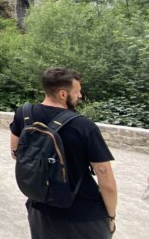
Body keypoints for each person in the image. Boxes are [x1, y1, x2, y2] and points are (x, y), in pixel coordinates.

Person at [10, 68, 117, 238]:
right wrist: (111, 217)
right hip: (83, 216)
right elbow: (107, 183)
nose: (80, 95)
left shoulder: (23, 114)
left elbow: (16, 153)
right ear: (62, 94)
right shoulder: (84, 126)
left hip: (40, 209)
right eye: (77, 91)